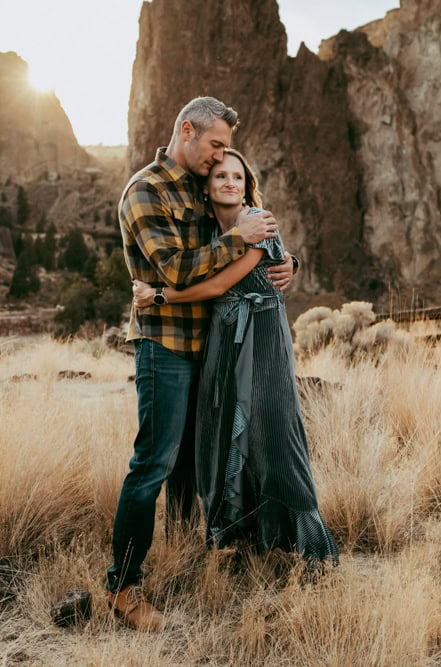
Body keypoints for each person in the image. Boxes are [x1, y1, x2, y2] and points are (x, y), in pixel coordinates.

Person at [109, 97, 295, 632]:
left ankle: (189, 558)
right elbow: (177, 271)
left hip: (213, 349)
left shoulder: (198, 183)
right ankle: (123, 587)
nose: (220, 159)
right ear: (185, 130)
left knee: (197, 462)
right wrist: (242, 239)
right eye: (214, 145)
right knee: (154, 465)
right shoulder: (144, 191)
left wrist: (287, 262)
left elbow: (242, 233)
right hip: (164, 346)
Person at [132, 148, 339, 575]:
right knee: (224, 431)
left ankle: (305, 544)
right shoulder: (205, 230)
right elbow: (189, 269)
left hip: (262, 336)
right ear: (207, 187)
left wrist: (160, 296)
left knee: (275, 433)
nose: (230, 183)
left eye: (238, 178)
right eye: (221, 176)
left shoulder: (259, 223)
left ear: (247, 187)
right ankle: (238, 538)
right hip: (223, 341)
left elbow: (220, 284)